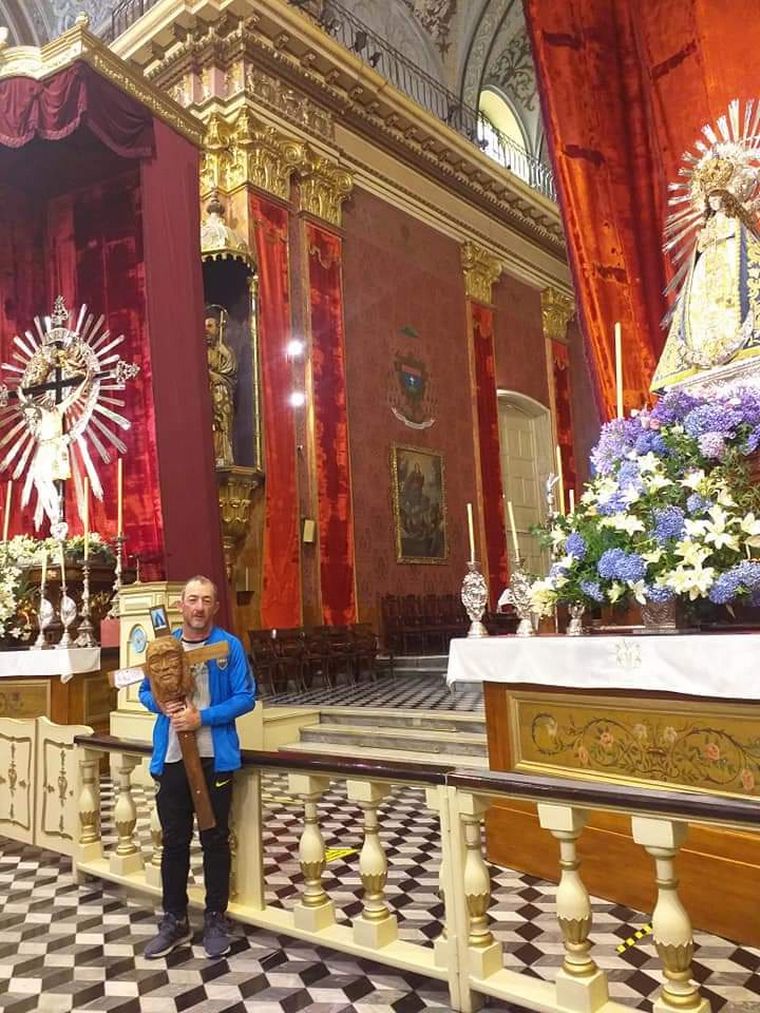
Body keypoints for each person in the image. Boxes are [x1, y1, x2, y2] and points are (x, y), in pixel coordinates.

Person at [139, 576, 255, 960]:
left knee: (215, 839)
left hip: (214, 757)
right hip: (172, 757)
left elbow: (245, 697)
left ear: (215, 606)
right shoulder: (163, 646)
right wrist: (161, 705)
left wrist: (201, 717)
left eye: (206, 600)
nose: (199, 607)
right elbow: (144, 691)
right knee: (173, 841)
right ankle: (174, 919)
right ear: (181, 606)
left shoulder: (228, 647)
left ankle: (215, 917)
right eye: (192, 600)